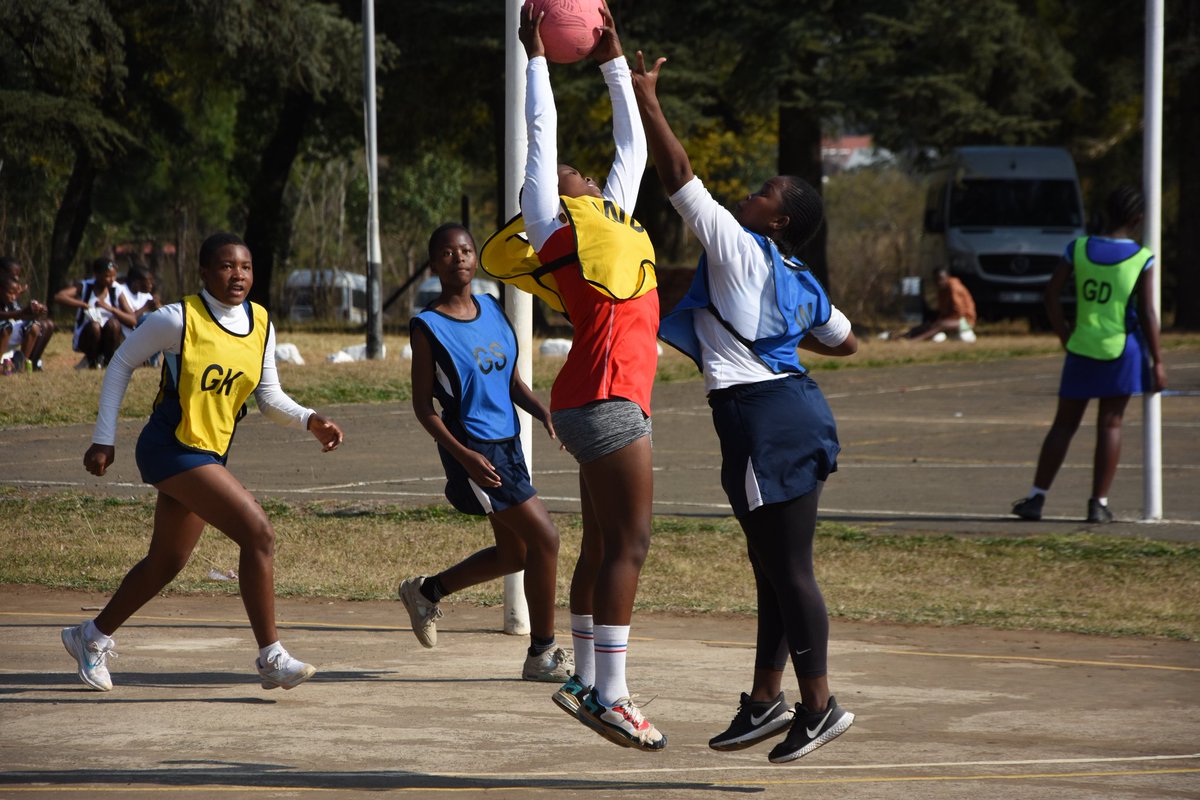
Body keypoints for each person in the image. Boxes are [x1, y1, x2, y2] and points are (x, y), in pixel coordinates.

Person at [631, 51, 858, 763]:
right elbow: (845, 342)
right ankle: (766, 699)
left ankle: (819, 707)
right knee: (775, 565)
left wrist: (647, 99)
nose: (749, 196)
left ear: (781, 216)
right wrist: (782, 343)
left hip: (761, 419)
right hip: (798, 411)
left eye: (763, 191)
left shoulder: (737, 246)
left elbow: (676, 176)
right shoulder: (800, 277)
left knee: (789, 570)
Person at [479, 4, 664, 751]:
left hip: (589, 396)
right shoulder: (554, 223)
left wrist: (615, 64)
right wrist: (534, 59)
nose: (574, 168)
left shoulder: (613, 213)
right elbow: (540, 136)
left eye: (576, 171)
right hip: (612, 397)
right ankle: (614, 696)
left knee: (598, 546)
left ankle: (587, 678)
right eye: (564, 172)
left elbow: (634, 146)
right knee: (632, 545)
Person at [61, 231, 344, 692]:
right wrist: (103, 439)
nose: (239, 275)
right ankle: (271, 656)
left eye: (246, 267)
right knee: (258, 532)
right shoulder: (177, 319)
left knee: (166, 561)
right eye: (227, 266)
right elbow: (120, 364)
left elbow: (268, 396)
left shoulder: (261, 322)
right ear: (205, 273)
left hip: (208, 451)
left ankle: (89, 636)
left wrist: (309, 419)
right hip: (168, 447)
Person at [400, 222, 571, 684]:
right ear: (435, 263)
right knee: (546, 540)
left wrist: (542, 411)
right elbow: (423, 408)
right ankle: (542, 653)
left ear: (476, 258)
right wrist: (463, 456)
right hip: (474, 448)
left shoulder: (493, 308)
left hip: (508, 442)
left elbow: (512, 382)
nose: (459, 258)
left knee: (515, 554)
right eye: (448, 253)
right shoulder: (428, 326)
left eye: (466, 250)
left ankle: (426, 591)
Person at [1012, 186, 1166, 524]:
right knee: (1111, 424)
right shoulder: (1142, 258)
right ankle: (1098, 504)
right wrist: (1158, 360)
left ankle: (1036, 499)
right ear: (1139, 219)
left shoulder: (1078, 248)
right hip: (1121, 349)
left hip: (1082, 346)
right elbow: (1149, 312)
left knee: (1064, 424)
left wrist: (1064, 335)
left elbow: (1051, 294)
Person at [54, 257, 126, 368]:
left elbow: (132, 318)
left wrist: (111, 309)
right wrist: (82, 304)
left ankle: (108, 361)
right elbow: (59, 296)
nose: (111, 279)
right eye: (107, 276)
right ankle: (92, 361)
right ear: (96, 275)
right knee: (95, 326)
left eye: (114, 276)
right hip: (87, 336)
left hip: (109, 336)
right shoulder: (85, 286)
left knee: (114, 324)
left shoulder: (116, 289)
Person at [0, 257, 55, 373]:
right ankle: (8, 366)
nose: (17, 278)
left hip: (6, 334)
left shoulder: (9, 293)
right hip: (3, 332)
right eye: (14, 275)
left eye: (18, 275)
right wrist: (22, 312)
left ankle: (22, 364)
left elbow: (19, 316)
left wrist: (35, 313)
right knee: (5, 327)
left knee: (35, 325)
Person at [903, 268, 977, 343]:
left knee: (941, 324)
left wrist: (944, 320)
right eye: (936, 279)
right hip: (950, 320)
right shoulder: (942, 290)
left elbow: (959, 312)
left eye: (941, 279)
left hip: (965, 321)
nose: (939, 282)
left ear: (947, 277)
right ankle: (904, 336)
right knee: (930, 324)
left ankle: (915, 340)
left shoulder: (954, 288)